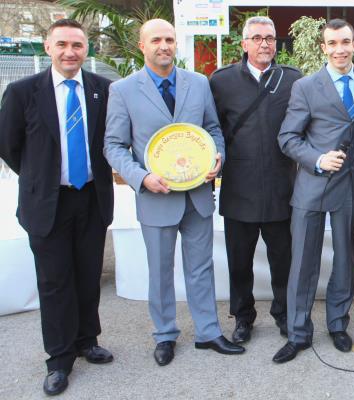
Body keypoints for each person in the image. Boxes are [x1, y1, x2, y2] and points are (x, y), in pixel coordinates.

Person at [104, 18, 244, 367]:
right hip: (156, 196)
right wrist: (141, 178)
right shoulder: (123, 90)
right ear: (142, 46)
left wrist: (218, 157)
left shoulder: (198, 83)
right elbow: (114, 145)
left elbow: (212, 128)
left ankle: (208, 332)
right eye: (156, 40)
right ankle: (164, 334)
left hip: (196, 193)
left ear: (175, 43)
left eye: (168, 39)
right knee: (161, 270)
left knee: (201, 268)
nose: (163, 46)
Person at [0, 19, 114, 396]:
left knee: (87, 275)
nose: (70, 52)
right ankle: (60, 358)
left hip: (92, 198)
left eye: (77, 45)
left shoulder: (103, 90)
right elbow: (10, 146)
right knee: (54, 282)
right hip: (47, 201)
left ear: (86, 50)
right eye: (62, 44)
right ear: (48, 48)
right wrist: (40, 177)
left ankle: (87, 340)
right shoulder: (22, 92)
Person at [274, 18, 354, 363]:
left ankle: (338, 325)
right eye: (333, 43)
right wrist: (316, 159)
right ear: (323, 47)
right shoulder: (306, 86)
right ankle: (298, 333)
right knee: (303, 263)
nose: (340, 49)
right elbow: (287, 138)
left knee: (344, 258)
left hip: (350, 185)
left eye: (345, 42)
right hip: (313, 185)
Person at [208, 16, 302, 344]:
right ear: (244, 44)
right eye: (258, 38)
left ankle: (285, 315)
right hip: (239, 189)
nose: (265, 44)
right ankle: (243, 317)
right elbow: (211, 130)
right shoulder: (220, 82)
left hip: (281, 188)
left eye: (271, 38)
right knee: (239, 263)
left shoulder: (292, 79)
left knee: (283, 261)